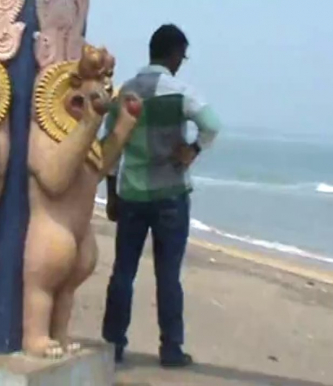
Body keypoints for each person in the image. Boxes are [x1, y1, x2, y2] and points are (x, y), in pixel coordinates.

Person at [101, 23, 221, 367]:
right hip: (170, 193)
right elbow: (212, 124)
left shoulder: (125, 92)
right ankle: (170, 349)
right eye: (182, 55)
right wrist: (194, 149)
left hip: (132, 193)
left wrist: (112, 194)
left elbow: (112, 147)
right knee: (168, 275)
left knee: (123, 271)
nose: (182, 61)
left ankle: (114, 344)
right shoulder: (180, 91)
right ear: (173, 53)